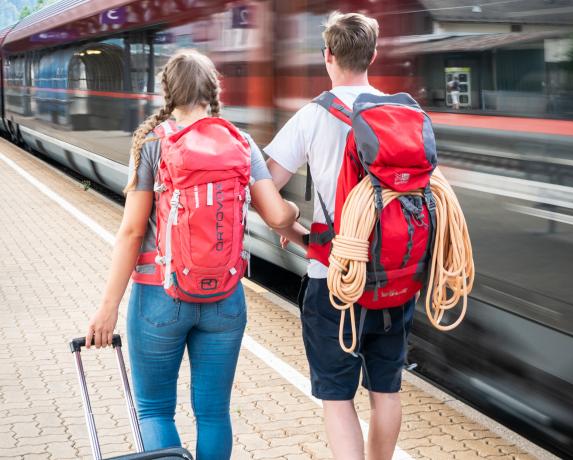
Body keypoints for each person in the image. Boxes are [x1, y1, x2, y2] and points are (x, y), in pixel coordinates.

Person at [83, 49, 300, 460]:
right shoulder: (243, 142)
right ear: (213, 91)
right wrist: (294, 212)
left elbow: (131, 231)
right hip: (225, 298)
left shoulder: (152, 143)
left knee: (154, 409)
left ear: (167, 92)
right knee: (215, 414)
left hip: (158, 296)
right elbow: (275, 215)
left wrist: (107, 308)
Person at [265, 12, 413, 460]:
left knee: (338, 396)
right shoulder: (405, 112)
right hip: (394, 276)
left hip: (333, 276)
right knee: (386, 389)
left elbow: (265, 188)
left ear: (327, 56)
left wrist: (293, 228)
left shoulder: (313, 115)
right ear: (372, 54)